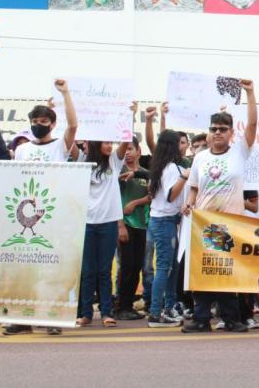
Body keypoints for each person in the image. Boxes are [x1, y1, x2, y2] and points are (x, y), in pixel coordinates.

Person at [181, 79, 257, 333]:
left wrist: (250, 93)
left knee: (226, 274)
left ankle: (232, 319)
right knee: (203, 274)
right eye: (214, 128)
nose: (218, 133)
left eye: (223, 129)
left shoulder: (239, 152)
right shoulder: (200, 158)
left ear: (231, 133)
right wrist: (189, 205)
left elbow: (254, 124)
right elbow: (193, 187)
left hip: (230, 225)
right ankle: (201, 319)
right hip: (205, 224)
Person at [3, 79, 77, 336]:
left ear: (53, 124)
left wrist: (65, 93)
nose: (38, 125)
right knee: (25, 267)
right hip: (24, 219)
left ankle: (52, 318)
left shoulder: (60, 147)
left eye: (43, 122)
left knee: (52, 268)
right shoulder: (22, 150)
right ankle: (21, 318)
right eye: (34, 121)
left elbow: (74, 125)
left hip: (53, 218)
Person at [77, 109, 135, 328]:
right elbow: (69, 137)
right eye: (105, 142)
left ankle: (107, 313)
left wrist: (130, 115)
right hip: (86, 223)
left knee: (104, 270)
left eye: (111, 142)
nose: (110, 146)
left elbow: (124, 139)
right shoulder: (83, 161)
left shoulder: (114, 162)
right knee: (88, 270)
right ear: (94, 144)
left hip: (108, 224)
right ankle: (85, 314)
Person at [145, 130, 190, 328]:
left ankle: (169, 308)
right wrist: (185, 177)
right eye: (179, 143)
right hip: (164, 221)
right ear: (172, 146)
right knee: (165, 267)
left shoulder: (160, 166)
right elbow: (171, 195)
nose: (183, 146)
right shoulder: (171, 168)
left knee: (173, 266)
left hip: (165, 221)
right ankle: (156, 313)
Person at [115, 137, 151, 320]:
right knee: (127, 266)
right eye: (125, 149)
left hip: (142, 225)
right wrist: (120, 225)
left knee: (137, 266)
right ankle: (121, 306)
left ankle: (128, 306)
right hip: (124, 225)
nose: (127, 152)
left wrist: (136, 203)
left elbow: (153, 195)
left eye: (130, 149)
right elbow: (112, 199)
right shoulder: (118, 171)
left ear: (139, 151)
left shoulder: (145, 173)